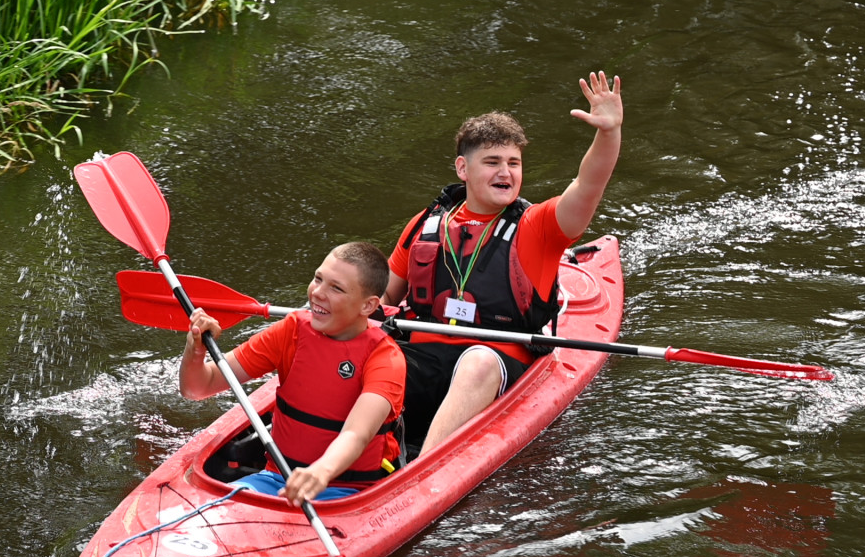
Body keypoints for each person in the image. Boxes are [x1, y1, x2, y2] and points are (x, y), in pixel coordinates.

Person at [382, 71, 623, 455]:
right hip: (424, 357)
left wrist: (608, 133)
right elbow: (383, 301)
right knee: (365, 353)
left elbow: (588, 184)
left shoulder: (539, 227)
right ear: (463, 169)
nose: (506, 172)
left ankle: (420, 470)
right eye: (492, 162)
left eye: (514, 162)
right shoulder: (425, 225)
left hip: (496, 363)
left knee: (476, 362)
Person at [179, 241, 406, 505]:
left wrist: (320, 472)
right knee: (215, 512)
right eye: (318, 278)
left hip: (351, 494)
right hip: (275, 481)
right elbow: (198, 387)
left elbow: (357, 434)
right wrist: (195, 348)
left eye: (336, 288)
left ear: (368, 306)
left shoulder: (385, 358)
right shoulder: (292, 332)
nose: (317, 293)